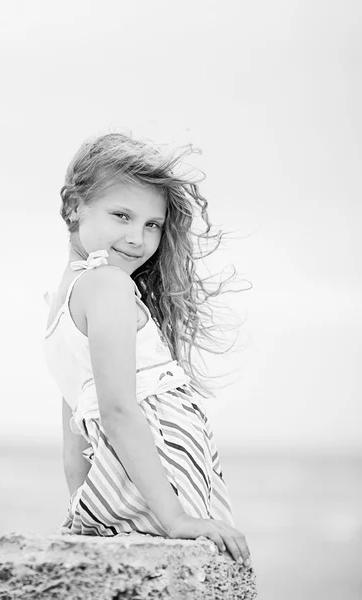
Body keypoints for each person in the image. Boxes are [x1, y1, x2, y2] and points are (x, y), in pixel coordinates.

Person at [43, 132, 252, 568]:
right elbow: (118, 410)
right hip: (160, 478)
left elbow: (73, 446)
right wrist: (175, 517)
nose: (138, 238)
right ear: (74, 206)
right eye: (122, 215)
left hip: (121, 481)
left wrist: (86, 516)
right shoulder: (108, 284)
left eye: (152, 224)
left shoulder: (60, 304)